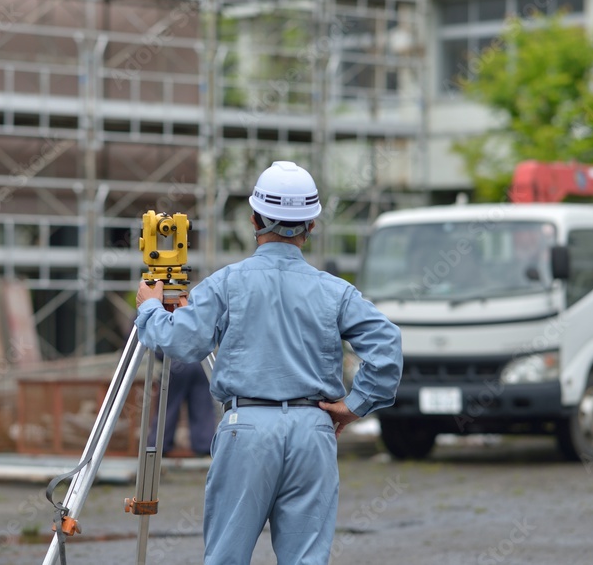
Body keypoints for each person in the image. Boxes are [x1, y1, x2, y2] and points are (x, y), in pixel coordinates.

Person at [134, 160, 403, 565]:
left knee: (227, 556)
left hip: (248, 429)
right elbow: (387, 343)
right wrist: (354, 405)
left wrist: (152, 309)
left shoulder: (227, 283)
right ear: (311, 226)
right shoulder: (336, 291)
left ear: (254, 218)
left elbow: (177, 343)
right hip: (313, 431)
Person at [147, 357, 216, 457]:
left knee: (167, 408)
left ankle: (159, 446)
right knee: (202, 409)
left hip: (175, 363)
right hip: (201, 364)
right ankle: (204, 446)